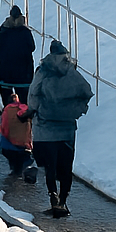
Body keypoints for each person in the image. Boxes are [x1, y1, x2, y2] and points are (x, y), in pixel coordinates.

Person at [26, 40, 93, 216]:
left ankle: (53, 196)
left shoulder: (43, 71)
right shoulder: (72, 72)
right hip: (67, 129)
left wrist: (35, 110)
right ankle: (63, 201)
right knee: (66, 166)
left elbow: (33, 93)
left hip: (46, 128)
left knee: (50, 166)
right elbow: (86, 91)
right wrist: (77, 110)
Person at [0, 4, 36, 107]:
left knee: (7, 107)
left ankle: (8, 121)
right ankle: (23, 122)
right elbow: (32, 48)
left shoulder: (2, 33)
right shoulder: (26, 33)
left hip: (5, 75)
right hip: (23, 77)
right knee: (24, 107)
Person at [0, 90, 37, 181]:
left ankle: (15, 173)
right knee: (24, 160)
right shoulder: (26, 110)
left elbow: (4, 129)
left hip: (11, 146)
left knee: (8, 152)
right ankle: (25, 171)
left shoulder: (7, 111)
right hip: (25, 145)